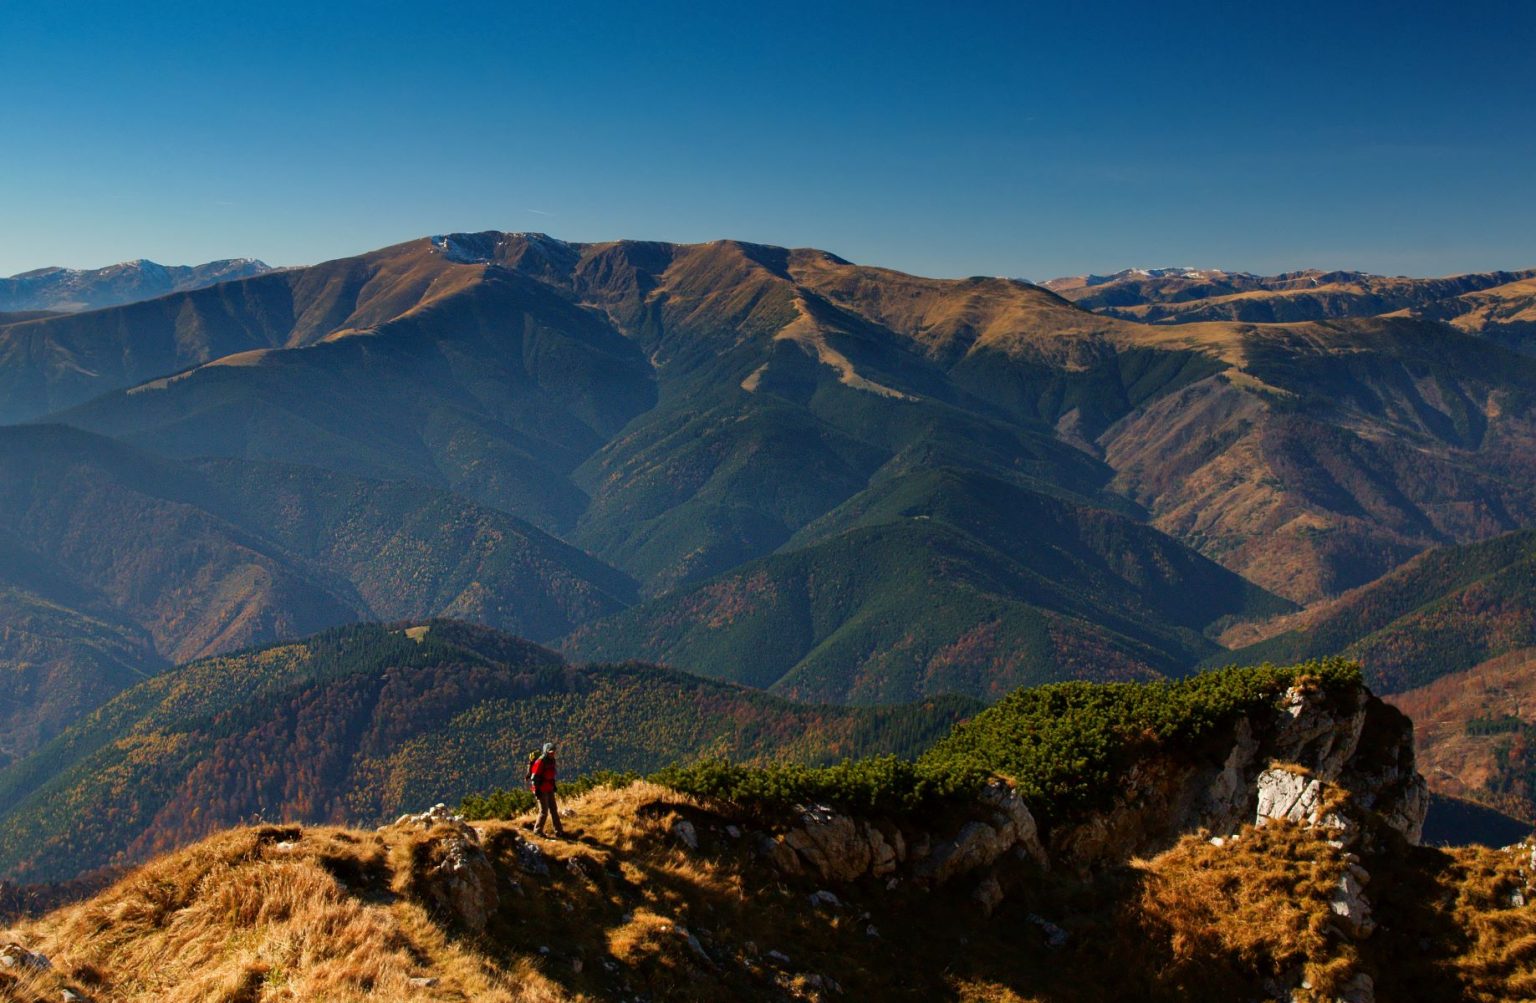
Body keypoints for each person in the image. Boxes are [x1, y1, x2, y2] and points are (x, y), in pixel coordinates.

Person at [528, 741, 565, 837]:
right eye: (550, 752)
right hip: (541, 789)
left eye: (553, 752)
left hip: (549, 787)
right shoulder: (540, 762)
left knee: (554, 809)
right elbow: (534, 777)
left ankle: (559, 831)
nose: (553, 754)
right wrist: (536, 791)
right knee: (544, 811)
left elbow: (551, 774)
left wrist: (553, 785)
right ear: (546, 752)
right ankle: (537, 831)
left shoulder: (552, 760)